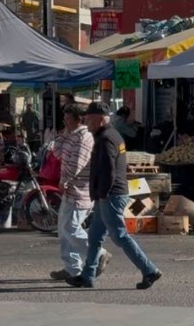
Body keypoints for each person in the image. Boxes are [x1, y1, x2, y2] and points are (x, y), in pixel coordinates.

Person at [66, 102, 162, 289]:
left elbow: (109, 170)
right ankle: (88, 275)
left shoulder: (106, 139)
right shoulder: (111, 135)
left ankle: (150, 270)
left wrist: (103, 193)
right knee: (94, 236)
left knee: (119, 236)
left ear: (101, 120)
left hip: (111, 195)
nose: (87, 123)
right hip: (109, 194)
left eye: (90, 120)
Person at [49, 104, 111, 282]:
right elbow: (57, 152)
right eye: (64, 119)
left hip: (80, 190)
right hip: (69, 190)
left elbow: (77, 163)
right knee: (63, 230)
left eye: (69, 119)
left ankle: (99, 254)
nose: (66, 122)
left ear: (79, 120)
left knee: (71, 228)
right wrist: (61, 134)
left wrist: (64, 180)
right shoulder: (70, 135)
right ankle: (72, 268)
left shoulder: (84, 137)